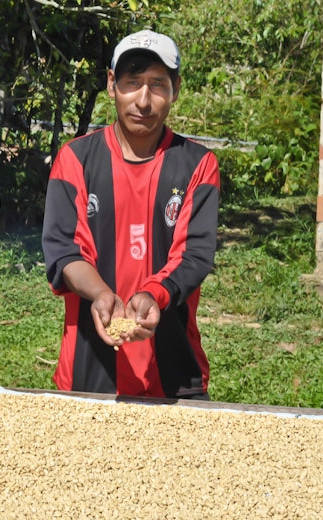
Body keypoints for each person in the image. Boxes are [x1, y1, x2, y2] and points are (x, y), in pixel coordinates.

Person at [41, 30, 220, 399]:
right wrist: (102, 294)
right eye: (132, 82)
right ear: (111, 85)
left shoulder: (198, 165)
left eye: (157, 85)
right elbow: (64, 252)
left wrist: (154, 295)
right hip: (87, 373)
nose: (143, 100)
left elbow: (194, 256)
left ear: (176, 89)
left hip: (175, 373)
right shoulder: (75, 160)